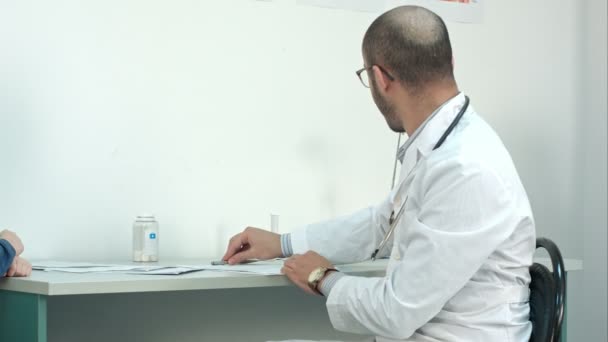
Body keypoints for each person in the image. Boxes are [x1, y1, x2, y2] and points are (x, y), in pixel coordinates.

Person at [223, 5, 535, 342]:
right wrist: (283, 243)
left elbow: (395, 313)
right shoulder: (441, 147)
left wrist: (322, 276)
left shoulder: (466, 168)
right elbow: (381, 225)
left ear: (380, 78)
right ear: (451, 61)